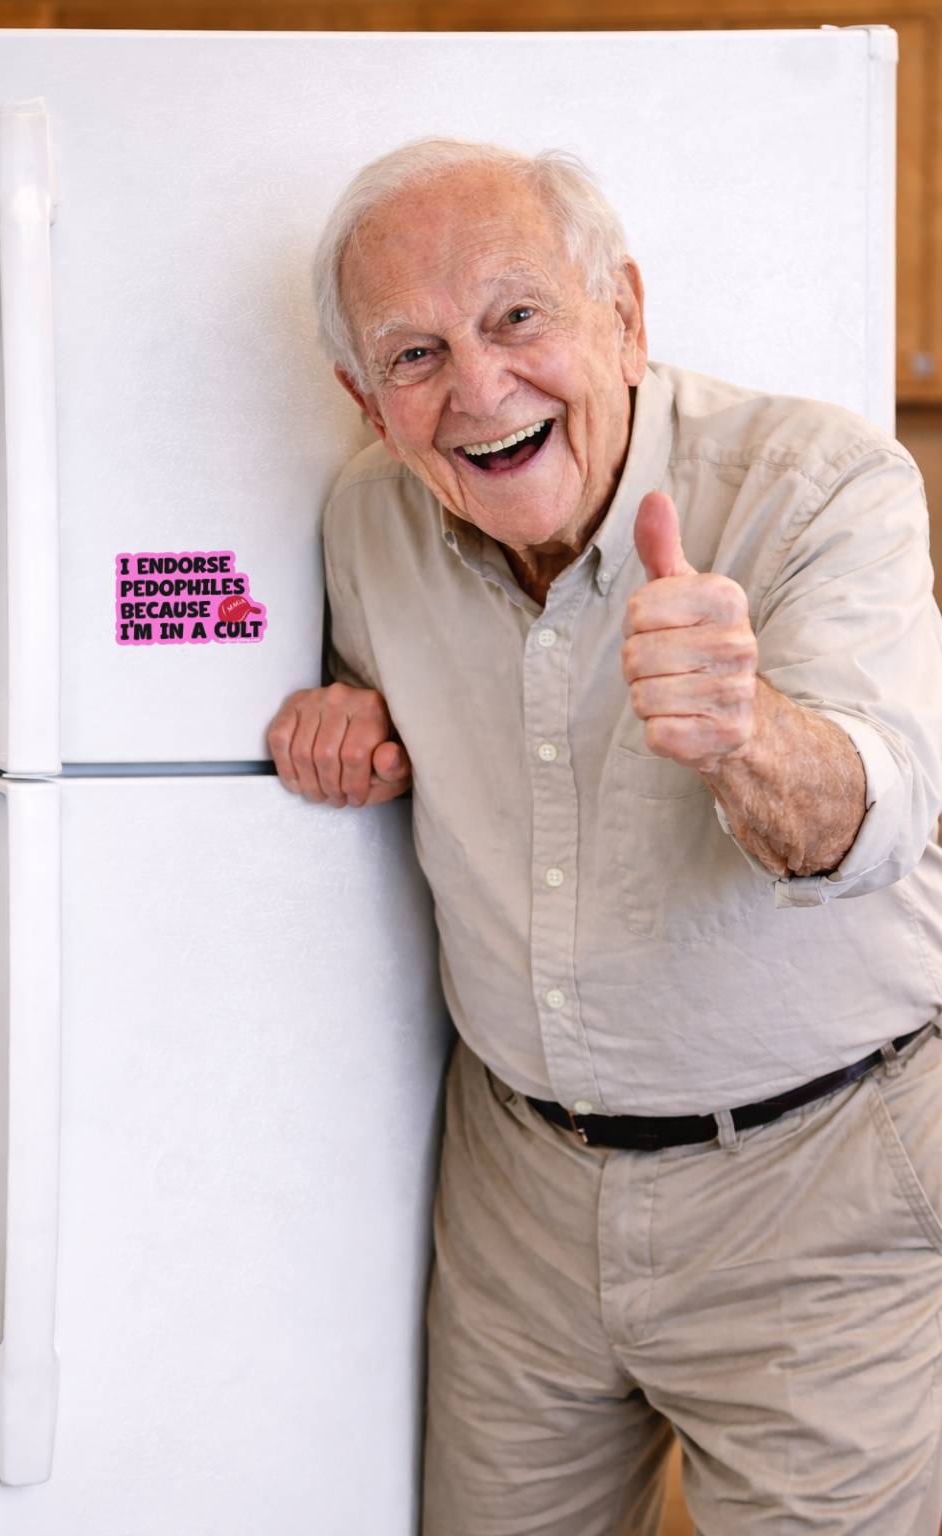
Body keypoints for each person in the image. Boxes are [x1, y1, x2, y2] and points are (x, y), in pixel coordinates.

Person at [267, 138, 942, 1535]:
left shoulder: (821, 482)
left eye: (518, 316)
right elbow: (400, 727)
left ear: (624, 316)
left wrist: (746, 729)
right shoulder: (365, 526)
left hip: (824, 1184)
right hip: (519, 1194)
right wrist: (346, 724)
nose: (479, 389)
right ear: (363, 398)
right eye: (414, 355)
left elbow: (876, 815)